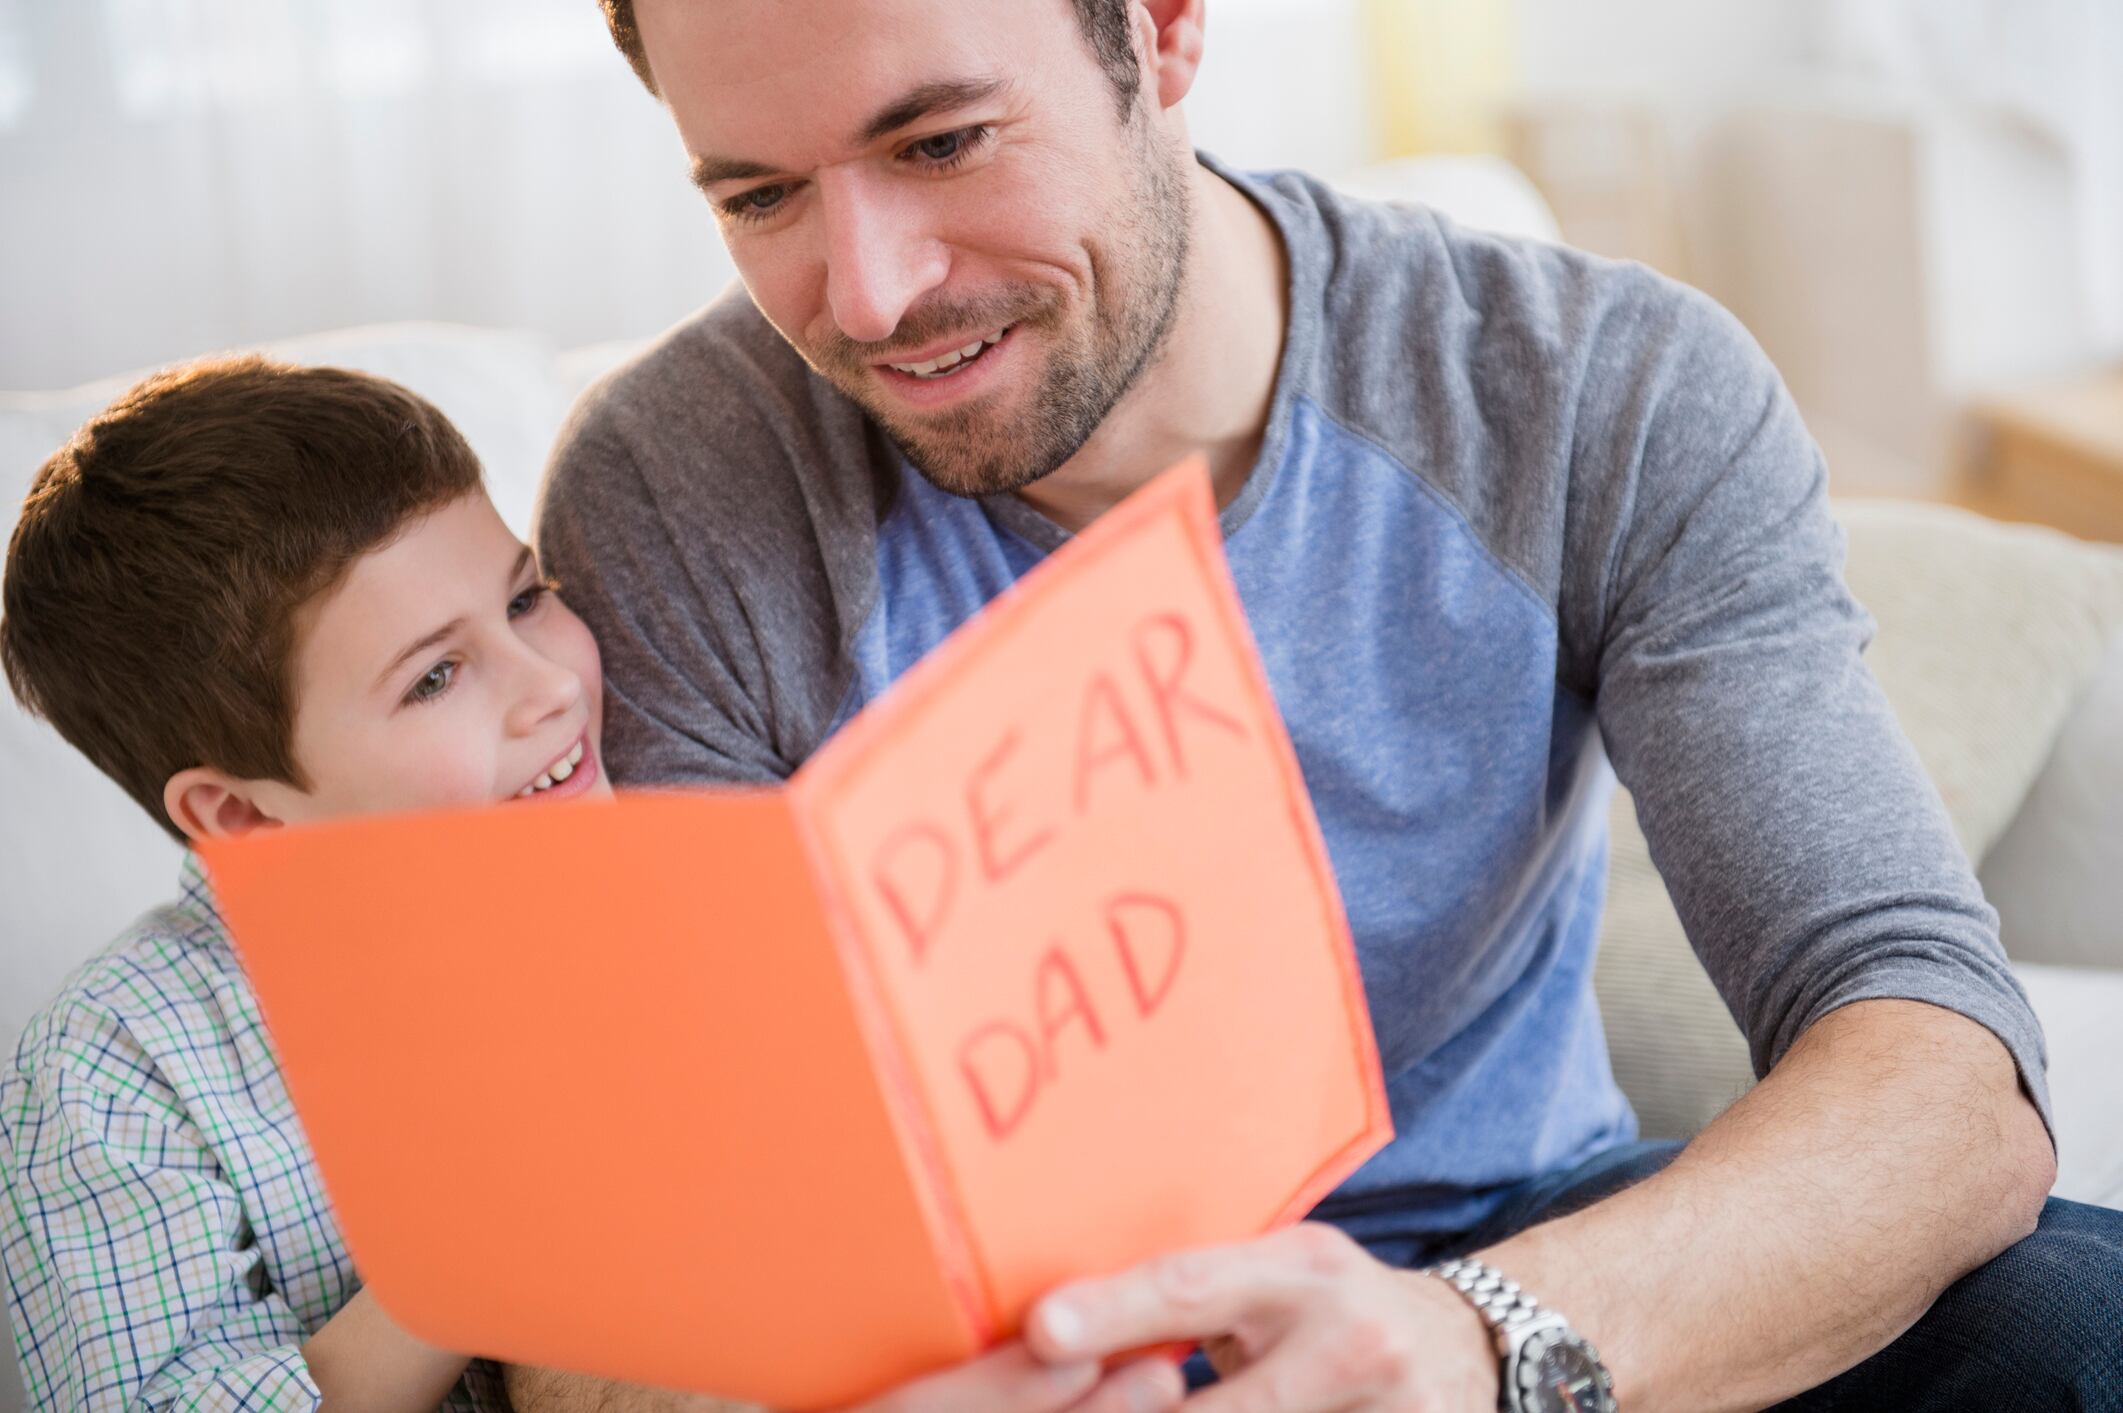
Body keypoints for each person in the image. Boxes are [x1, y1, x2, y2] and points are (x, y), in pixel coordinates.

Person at [513, 1, 2123, 1410]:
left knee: (2069, 1317)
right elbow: (641, 1230)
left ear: (1160, 26)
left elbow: (1940, 1069)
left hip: (1513, 1261)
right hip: (993, 1339)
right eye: (760, 194)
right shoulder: (676, 490)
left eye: (938, 144)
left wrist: (1476, 1345)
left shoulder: (1589, 391)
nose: (863, 298)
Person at [0, 356, 611, 1409]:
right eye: (433, 677)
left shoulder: (671, 853)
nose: (551, 686)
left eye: (526, 598)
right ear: (241, 815)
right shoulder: (118, 1062)